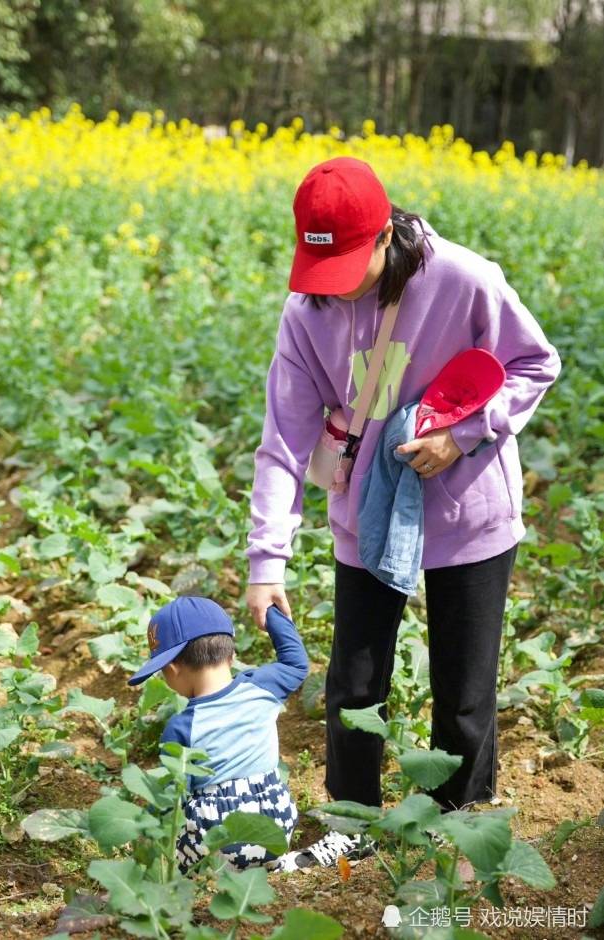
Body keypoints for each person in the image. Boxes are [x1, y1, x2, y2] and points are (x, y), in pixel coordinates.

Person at [244, 155, 562, 866]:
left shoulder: (465, 280)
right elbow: (282, 443)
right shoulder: (307, 311)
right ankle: (351, 823)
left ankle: (460, 827)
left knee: (464, 686)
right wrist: (266, 560)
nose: (337, 288)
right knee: (353, 682)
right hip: (367, 507)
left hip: (468, 508)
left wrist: (464, 434)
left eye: (351, 264)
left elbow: (535, 363)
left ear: (387, 234)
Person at [127, 594, 309, 873]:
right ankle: (271, 863)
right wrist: (270, 611)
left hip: (217, 842)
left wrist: (141, 831)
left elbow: (171, 796)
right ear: (232, 654)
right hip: (276, 828)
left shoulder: (181, 727)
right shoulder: (263, 687)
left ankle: (194, 876)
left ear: (172, 669)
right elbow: (297, 662)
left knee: (174, 831)